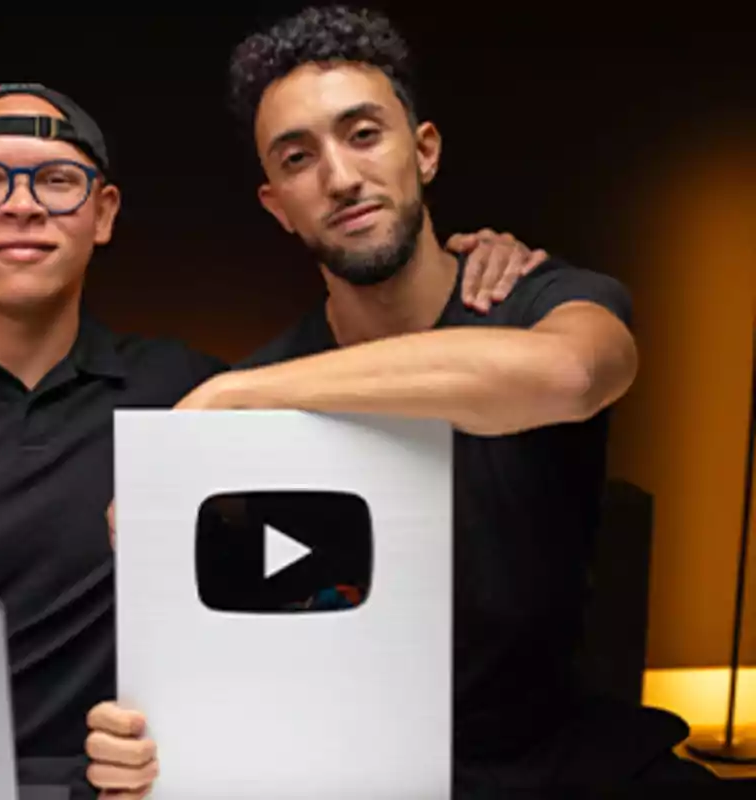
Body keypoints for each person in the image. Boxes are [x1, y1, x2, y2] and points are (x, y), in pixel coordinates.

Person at [0, 81, 547, 798]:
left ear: (104, 214)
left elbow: (307, 621)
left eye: (57, 180)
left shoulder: (190, 396)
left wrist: (463, 272)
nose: (21, 204)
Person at [83, 7, 717, 797]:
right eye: (298, 157)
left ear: (424, 151)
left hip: (562, 763)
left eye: (363, 134)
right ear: (277, 204)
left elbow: (571, 376)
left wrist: (241, 393)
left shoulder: (546, 298)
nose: (341, 177)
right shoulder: (243, 409)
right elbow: (229, 658)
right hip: (351, 772)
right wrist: (143, 746)